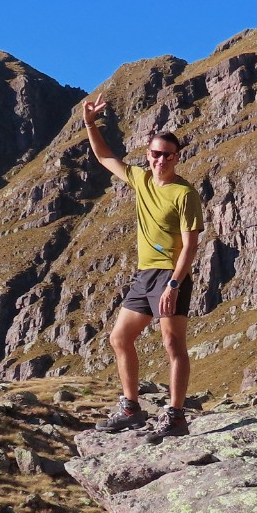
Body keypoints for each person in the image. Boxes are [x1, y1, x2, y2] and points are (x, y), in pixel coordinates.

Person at [82, 96, 204, 438]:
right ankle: (131, 407)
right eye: (155, 153)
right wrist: (91, 123)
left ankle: (176, 415)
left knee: (172, 344)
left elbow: (191, 245)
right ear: (147, 155)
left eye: (167, 154)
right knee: (119, 338)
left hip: (170, 276)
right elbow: (106, 157)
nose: (160, 159)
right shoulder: (141, 180)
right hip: (144, 275)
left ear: (177, 157)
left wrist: (174, 285)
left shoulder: (185, 194)